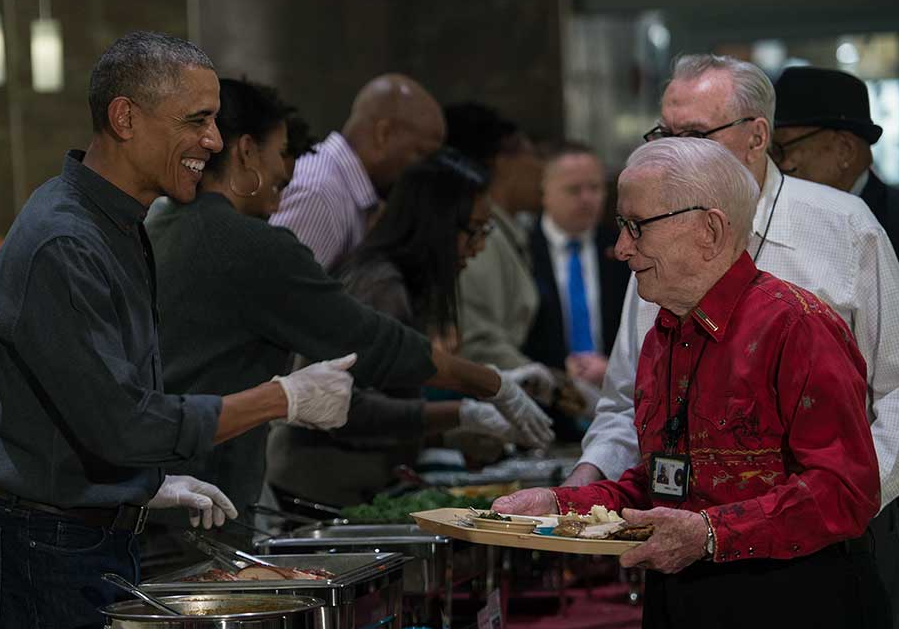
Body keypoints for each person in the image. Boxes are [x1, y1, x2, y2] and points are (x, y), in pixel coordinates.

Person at [0, 33, 359, 629]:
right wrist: (280, 398)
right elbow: (119, 421)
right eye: (197, 120)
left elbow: (95, 411)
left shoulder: (115, 223)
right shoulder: (66, 239)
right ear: (125, 118)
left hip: (75, 537)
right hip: (36, 549)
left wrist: (145, 485)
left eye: (214, 121)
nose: (215, 141)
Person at [564, 54, 899, 629]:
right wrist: (576, 501)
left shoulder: (840, 227)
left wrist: (832, 503)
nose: (672, 148)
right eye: (663, 132)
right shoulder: (657, 264)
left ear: (757, 135)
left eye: (694, 133)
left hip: (817, 556)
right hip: (686, 558)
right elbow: (628, 409)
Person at [496, 137, 890, 629]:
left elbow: (845, 491)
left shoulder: (796, 325)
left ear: (710, 230)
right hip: (681, 602)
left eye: (638, 226)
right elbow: (664, 483)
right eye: (621, 226)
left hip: (792, 610)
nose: (621, 249)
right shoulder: (665, 334)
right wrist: (561, 505)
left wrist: (708, 534)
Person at [146, 79, 554, 521]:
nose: (289, 172)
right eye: (282, 152)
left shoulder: (160, 221)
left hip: (159, 478)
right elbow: (371, 342)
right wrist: (490, 386)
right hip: (202, 488)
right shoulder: (253, 239)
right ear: (246, 151)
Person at [771, 65, 899, 629]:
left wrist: (875, 463)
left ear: (844, 147)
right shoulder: (778, 228)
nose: (779, 165)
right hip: (812, 507)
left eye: (787, 148)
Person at [267, 149, 526, 507]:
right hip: (319, 487)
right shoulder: (380, 287)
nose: (479, 246)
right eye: (474, 231)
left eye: (486, 231)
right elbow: (345, 408)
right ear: (436, 225)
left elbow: (397, 393)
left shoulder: (402, 284)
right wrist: (459, 416)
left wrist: (454, 428)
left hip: (360, 482)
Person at [268, 73, 445, 269]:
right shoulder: (322, 195)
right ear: (383, 135)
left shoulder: (341, 192)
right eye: (421, 153)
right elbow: (272, 284)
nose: (425, 171)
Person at [445, 103, 549, 383]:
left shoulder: (505, 231)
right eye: (535, 155)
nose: (543, 168)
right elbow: (479, 343)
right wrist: (549, 384)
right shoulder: (482, 239)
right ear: (502, 160)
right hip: (491, 391)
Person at [522, 141, 629, 393]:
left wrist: (614, 367)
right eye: (574, 190)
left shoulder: (623, 248)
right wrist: (558, 370)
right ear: (545, 193)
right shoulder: (523, 249)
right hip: (545, 390)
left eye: (595, 188)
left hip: (614, 386)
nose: (587, 199)